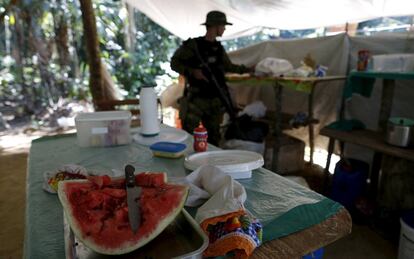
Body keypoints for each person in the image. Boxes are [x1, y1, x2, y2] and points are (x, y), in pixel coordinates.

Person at [170, 10, 252, 146]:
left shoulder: (218, 48)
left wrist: (248, 70)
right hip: (196, 100)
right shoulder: (193, 45)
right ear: (215, 26)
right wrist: (192, 72)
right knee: (189, 136)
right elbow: (174, 63)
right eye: (223, 25)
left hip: (214, 99)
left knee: (213, 138)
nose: (224, 29)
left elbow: (228, 66)